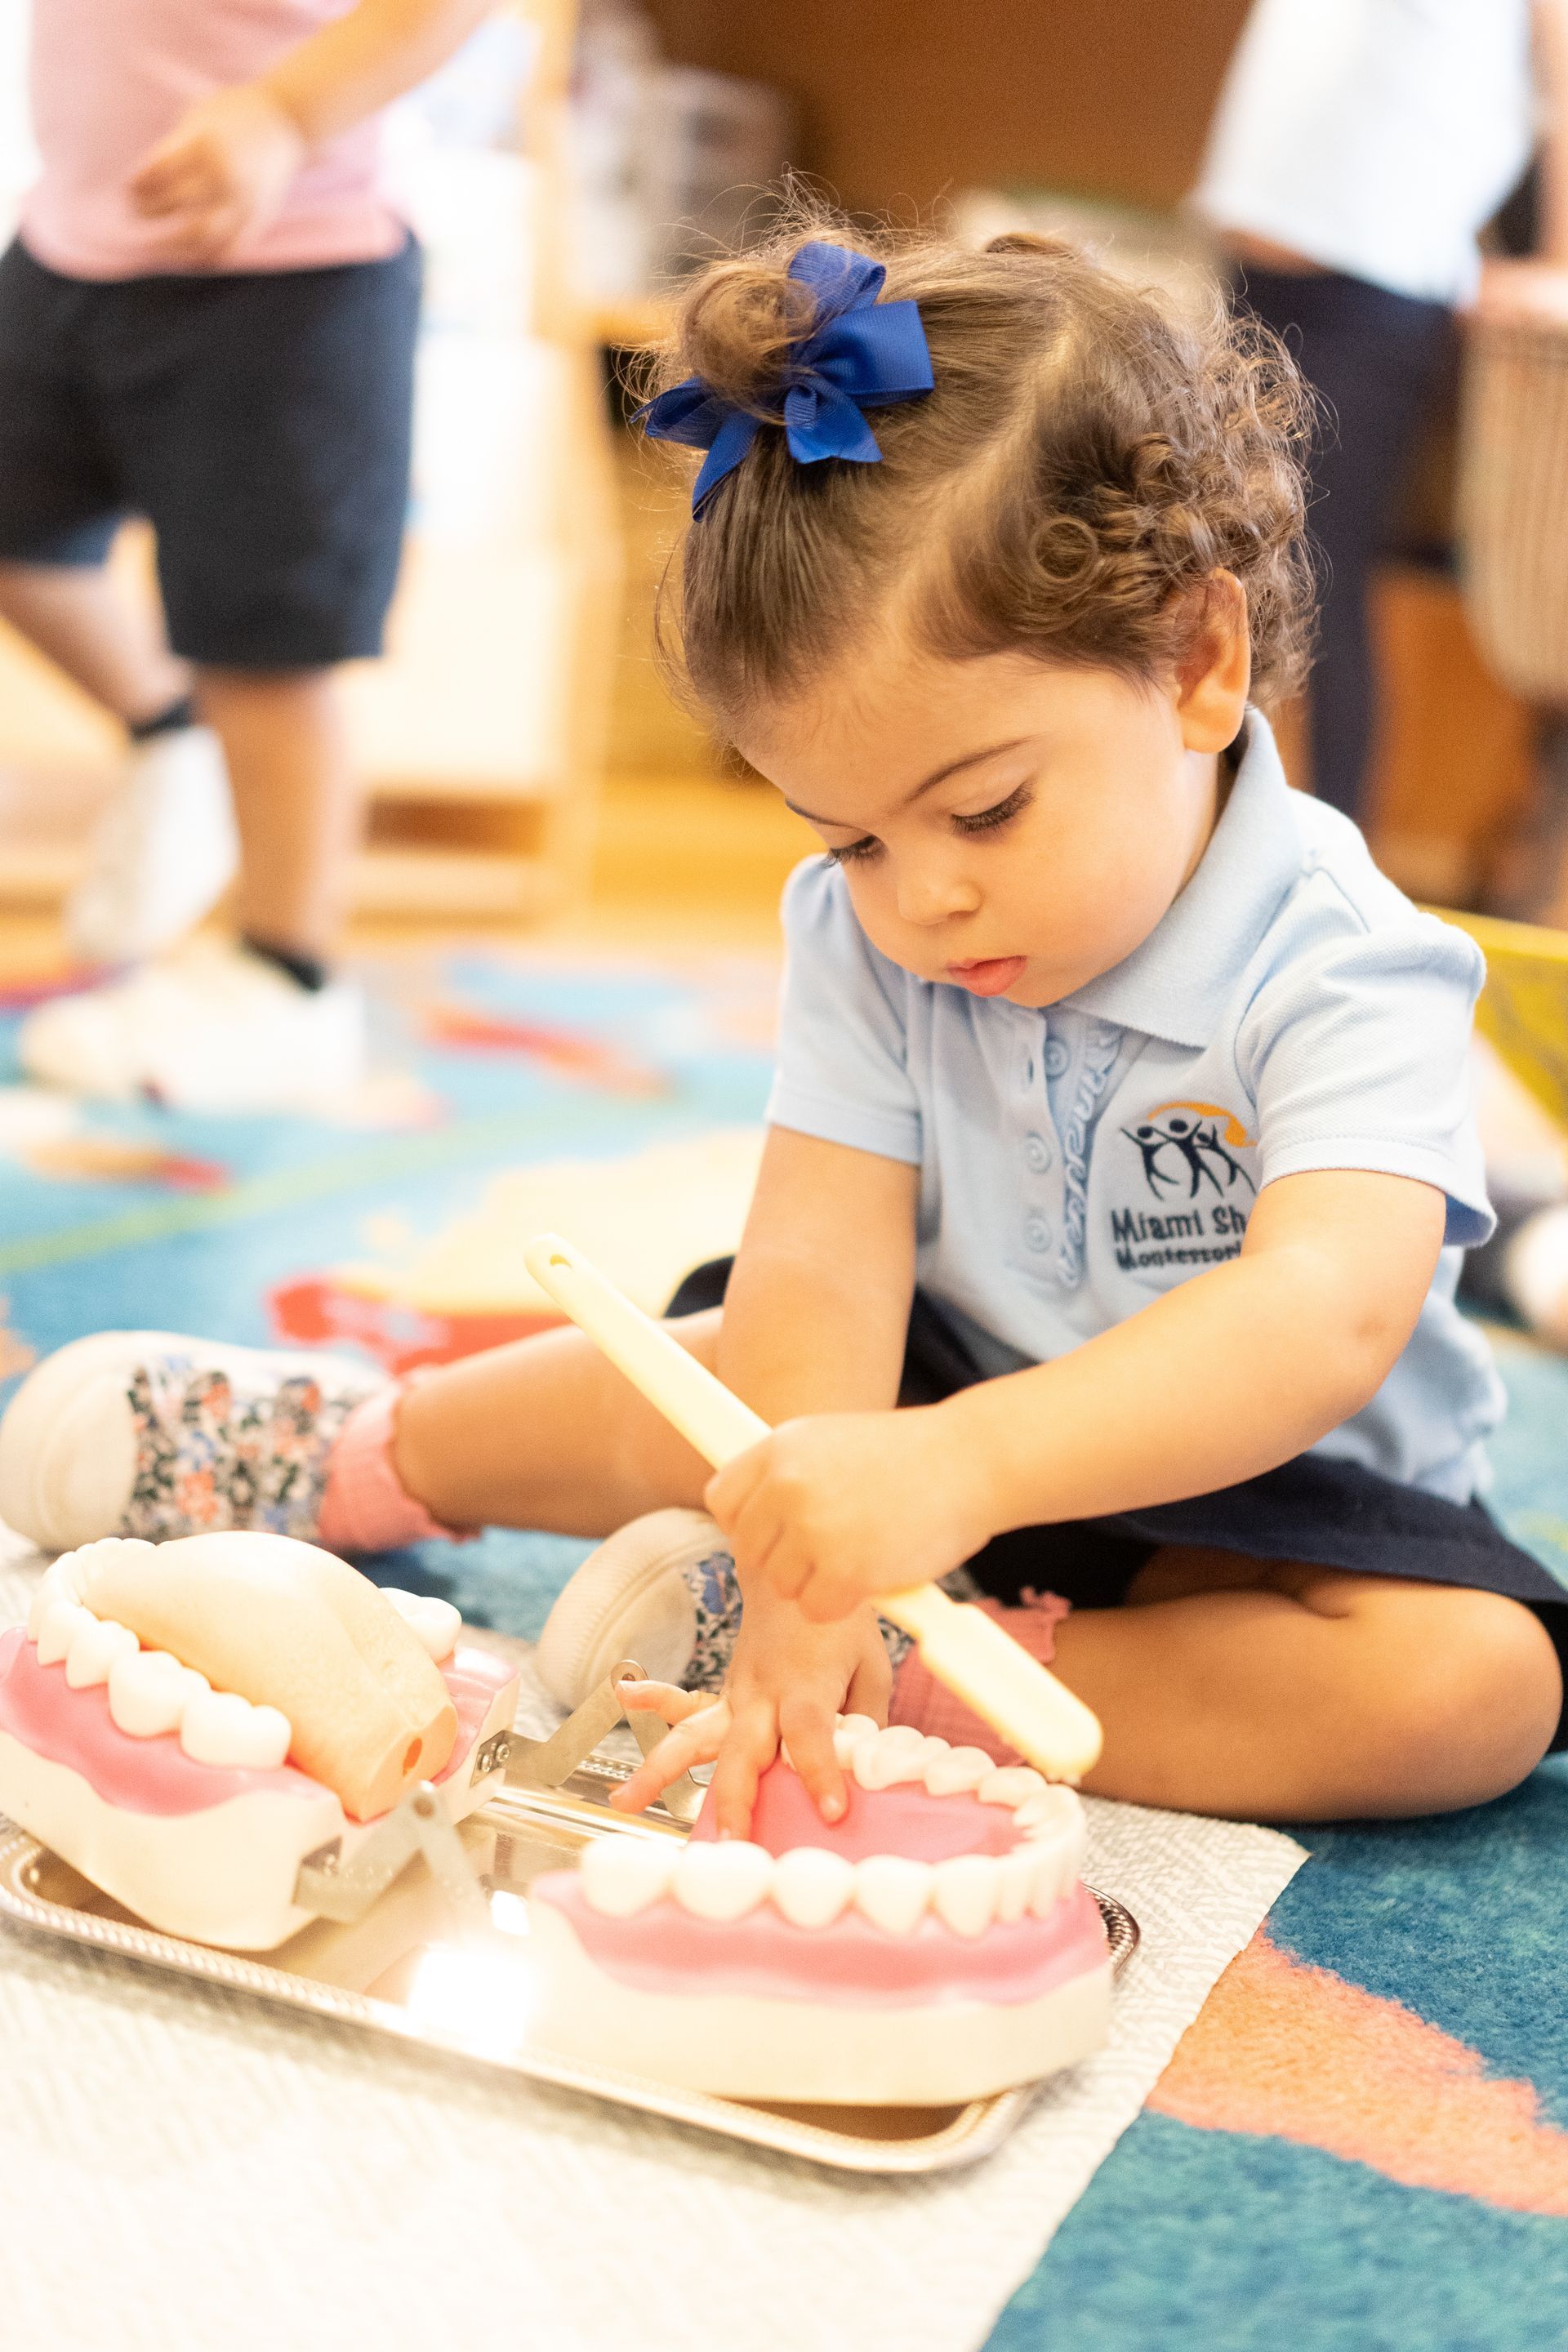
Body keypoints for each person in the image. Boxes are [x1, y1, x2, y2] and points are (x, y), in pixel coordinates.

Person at [3, 222, 1564, 1838]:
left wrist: (934, 1496)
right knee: (706, 1385)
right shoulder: (867, 930)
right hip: (916, 1393)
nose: (923, 904)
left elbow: (1317, 1322)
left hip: (1270, 1503)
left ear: (1197, 660)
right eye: (855, 840)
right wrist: (835, 1486)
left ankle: (908, 1681)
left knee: (1474, 1690)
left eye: (985, 809)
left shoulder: (1353, 964)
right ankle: (348, 1449)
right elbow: (818, 1271)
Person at [0, 0, 493, 1110]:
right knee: (22, 542)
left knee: (264, 654)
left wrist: (282, 113)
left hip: (288, 271)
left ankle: (287, 976)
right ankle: (170, 737)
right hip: (69, 241)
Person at [1189, 0, 1566, 829]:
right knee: (1229, 564)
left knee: (1319, 579)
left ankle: (1337, 852)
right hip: (1263, 258)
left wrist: (1560, 260)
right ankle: (1205, 836)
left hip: (1373, 282)